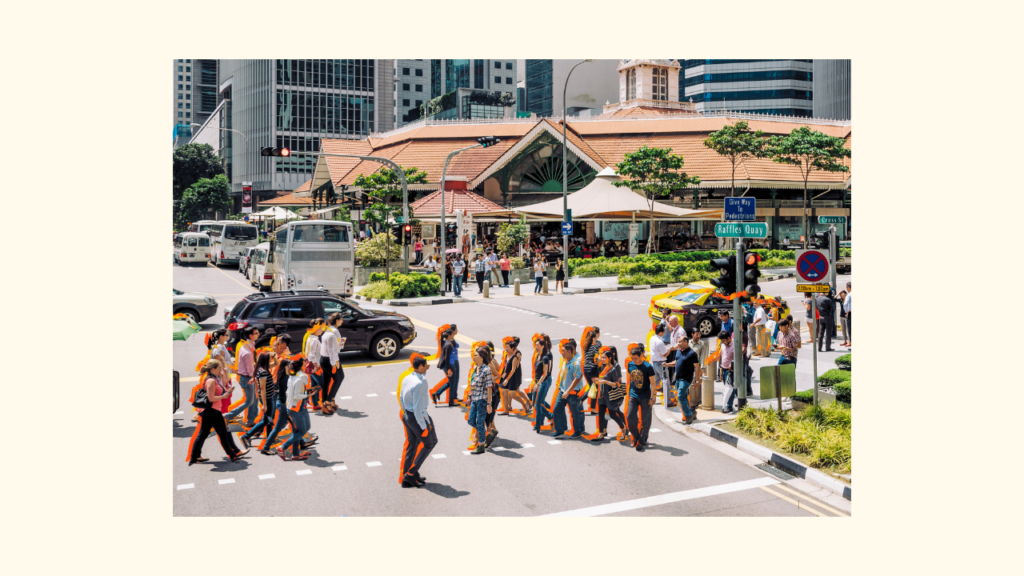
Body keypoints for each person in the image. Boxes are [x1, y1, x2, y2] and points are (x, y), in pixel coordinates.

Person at [187, 360, 248, 465]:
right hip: (212, 412)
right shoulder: (211, 380)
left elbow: (222, 390)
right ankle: (232, 456)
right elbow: (211, 398)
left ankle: (194, 457)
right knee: (223, 434)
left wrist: (226, 389)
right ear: (213, 369)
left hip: (212, 411)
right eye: (219, 367)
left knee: (203, 434)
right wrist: (223, 396)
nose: (221, 369)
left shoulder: (215, 378)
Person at [399, 355, 436, 487]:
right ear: (420, 367)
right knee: (430, 443)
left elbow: (401, 396)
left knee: (412, 445)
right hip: (417, 417)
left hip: (407, 415)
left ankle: (407, 477)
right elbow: (418, 407)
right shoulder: (421, 382)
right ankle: (410, 474)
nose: (427, 367)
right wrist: (424, 425)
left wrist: (405, 412)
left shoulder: (407, 377)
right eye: (426, 365)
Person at [280, 359, 318, 461]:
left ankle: (295, 454)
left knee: (299, 431)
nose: (306, 365)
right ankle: (283, 447)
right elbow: (297, 395)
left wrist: (307, 392)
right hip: (297, 408)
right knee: (302, 430)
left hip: (296, 407)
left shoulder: (293, 377)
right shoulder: (299, 379)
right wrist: (308, 394)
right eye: (304, 364)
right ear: (300, 367)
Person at [225, 326, 260, 428]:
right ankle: (227, 416)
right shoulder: (248, 352)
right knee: (249, 401)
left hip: (244, 377)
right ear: (250, 335)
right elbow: (250, 371)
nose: (258, 334)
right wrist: (257, 382)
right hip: (248, 378)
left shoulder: (244, 345)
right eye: (256, 333)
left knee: (254, 400)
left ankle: (250, 421)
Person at [625, 343, 657, 451]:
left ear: (641, 356)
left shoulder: (648, 367)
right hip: (633, 395)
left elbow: (653, 383)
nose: (634, 360)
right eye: (632, 358)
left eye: (636, 358)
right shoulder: (630, 365)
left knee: (645, 420)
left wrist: (652, 397)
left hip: (645, 396)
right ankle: (637, 437)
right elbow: (630, 378)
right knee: (629, 416)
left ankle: (641, 440)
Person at [590, 347, 626, 442]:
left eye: (604, 357)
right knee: (601, 414)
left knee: (613, 414)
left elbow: (617, 384)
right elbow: (602, 378)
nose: (602, 359)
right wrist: (597, 380)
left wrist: (606, 382)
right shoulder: (604, 367)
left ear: (609, 358)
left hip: (610, 396)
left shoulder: (613, 370)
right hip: (602, 395)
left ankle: (623, 428)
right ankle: (601, 433)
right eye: (602, 357)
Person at [551, 339, 584, 438]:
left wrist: (568, 391)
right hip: (562, 391)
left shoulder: (576, 363)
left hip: (572, 393)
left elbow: (577, 378)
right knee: (556, 410)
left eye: (563, 351)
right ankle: (560, 429)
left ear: (569, 352)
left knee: (575, 413)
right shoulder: (565, 361)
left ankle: (578, 431)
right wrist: (562, 389)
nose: (562, 353)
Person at [467, 345, 494, 454]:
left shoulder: (486, 370)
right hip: (474, 398)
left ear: (482, 357)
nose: (474, 356)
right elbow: (472, 384)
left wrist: (489, 403)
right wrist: (469, 396)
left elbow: (489, 387)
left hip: (482, 400)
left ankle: (481, 445)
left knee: (479, 422)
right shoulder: (475, 368)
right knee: (471, 420)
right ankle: (486, 433)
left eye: (476, 355)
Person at [320, 313, 345, 413]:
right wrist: (335, 363)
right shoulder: (333, 333)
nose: (342, 321)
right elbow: (333, 350)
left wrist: (341, 342)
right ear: (337, 320)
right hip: (330, 360)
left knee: (327, 380)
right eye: (341, 319)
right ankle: (328, 402)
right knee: (338, 379)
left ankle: (327, 401)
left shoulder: (329, 331)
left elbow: (333, 347)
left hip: (325, 359)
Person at [674, 336, 701, 425]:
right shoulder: (678, 351)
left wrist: (697, 381)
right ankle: (692, 413)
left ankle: (688, 415)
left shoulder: (692, 353)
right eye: (678, 342)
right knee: (684, 397)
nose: (678, 343)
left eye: (680, 342)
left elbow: (697, 367)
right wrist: (667, 364)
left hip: (686, 379)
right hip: (678, 378)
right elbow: (677, 362)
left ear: (686, 341)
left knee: (680, 396)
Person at [531, 334, 554, 433]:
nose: (535, 347)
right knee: (535, 403)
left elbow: (546, 372)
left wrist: (538, 383)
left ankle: (539, 424)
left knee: (538, 404)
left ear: (543, 345)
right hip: (538, 382)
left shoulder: (546, 356)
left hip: (543, 383)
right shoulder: (538, 356)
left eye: (538, 345)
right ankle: (546, 418)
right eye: (535, 345)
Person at [432, 326, 461, 406]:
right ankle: (451, 402)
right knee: (452, 382)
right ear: (449, 335)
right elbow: (447, 358)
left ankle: (437, 393)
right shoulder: (449, 346)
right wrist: (449, 369)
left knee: (451, 381)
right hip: (450, 365)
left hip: (445, 365)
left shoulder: (443, 342)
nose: (452, 335)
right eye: (451, 334)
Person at [581, 327, 603, 414]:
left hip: (585, 368)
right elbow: (597, 358)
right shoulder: (595, 345)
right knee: (594, 388)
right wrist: (601, 359)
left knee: (592, 387)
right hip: (593, 368)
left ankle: (593, 408)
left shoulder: (585, 345)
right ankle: (580, 400)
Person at [303, 321, 324, 410]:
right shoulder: (314, 339)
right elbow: (311, 354)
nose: (322, 329)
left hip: (310, 364)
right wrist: (316, 366)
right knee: (322, 384)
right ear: (316, 329)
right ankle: (304, 400)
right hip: (313, 366)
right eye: (320, 328)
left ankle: (314, 404)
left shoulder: (311, 338)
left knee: (314, 384)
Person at [648, 324, 669, 405]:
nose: (665, 332)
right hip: (661, 364)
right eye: (664, 330)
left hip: (653, 363)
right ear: (660, 332)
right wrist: (670, 349)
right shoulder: (660, 342)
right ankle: (668, 401)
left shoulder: (652, 338)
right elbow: (665, 354)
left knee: (653, 383)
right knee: (666, 381)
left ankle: (652, 398)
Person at [718, 331, 738, 414]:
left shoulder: (734, 345)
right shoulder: (722, 345)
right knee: (731, 388)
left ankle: (729, 406)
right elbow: (720, 355)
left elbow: (737, 358)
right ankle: (742, 399)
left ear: (729, 338)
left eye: (724, 340)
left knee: (729, 389)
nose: (723, 342)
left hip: (730, 371)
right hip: (723, 369)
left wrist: (731, 363)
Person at [843, 282, 852, 348]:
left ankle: (850, 341)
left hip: (850, 313)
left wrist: (846, 312)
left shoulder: (849, 295)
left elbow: (845, 304)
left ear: (848, 288)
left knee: (849, 328)